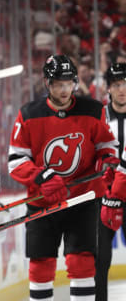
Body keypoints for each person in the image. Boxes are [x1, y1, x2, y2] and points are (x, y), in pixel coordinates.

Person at [8, 55, 118, 301]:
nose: (64, 89)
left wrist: (107, 161)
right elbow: (15, 162)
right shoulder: (28, 114)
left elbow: (107, 146)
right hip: (42, 202)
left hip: (83, 200)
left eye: (68, 83)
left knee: (82, 263)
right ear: (47, 83)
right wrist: (42, 177)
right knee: (41, 264)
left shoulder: (93, 110)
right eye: (58, 83)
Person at [95, 62, 126, 301]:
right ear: (108, 88)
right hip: (104, 197)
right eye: (117, 84)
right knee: (100, 258)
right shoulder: (99, 117)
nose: (122, 89)